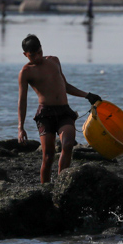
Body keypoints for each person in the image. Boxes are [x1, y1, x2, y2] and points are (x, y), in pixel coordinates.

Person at [17, 33, 101, 183]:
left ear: (42, 49)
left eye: (39, 53)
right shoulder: (25, 72)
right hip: (45, 115)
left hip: (64, 112)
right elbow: (22, 101)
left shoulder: (54, 61)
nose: (37, 57)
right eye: (32, 55)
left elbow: (65, 86)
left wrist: (87, 95)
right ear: (25, 54)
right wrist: (20, 127)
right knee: (48, 156)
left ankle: (61, 183)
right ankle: (45, 188)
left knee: (68, 145)